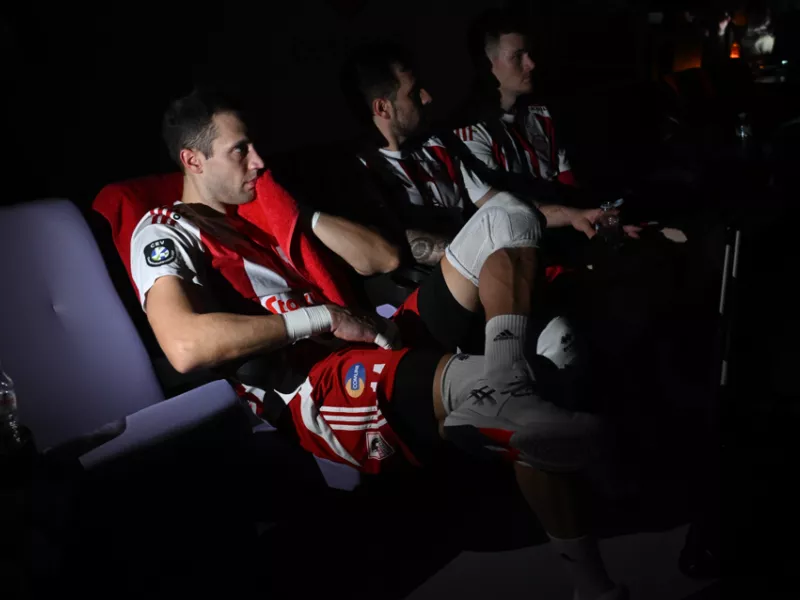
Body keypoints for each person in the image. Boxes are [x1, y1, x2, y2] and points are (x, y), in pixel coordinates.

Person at [133, 88, 626, 600]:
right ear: (193, 160)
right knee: (521, 394)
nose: (259, 161)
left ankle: (507, 382)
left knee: (509, 214)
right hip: (317, 388)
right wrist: (324, 315)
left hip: (372, 336)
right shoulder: (164, 230)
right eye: (240, 150)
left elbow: (382, 259)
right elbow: (184, 345)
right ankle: (593, 586)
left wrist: (294, 212)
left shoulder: (259, 216)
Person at [340, 42, 625, 267]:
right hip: (429, 291)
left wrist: (577, 215)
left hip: (486, 274)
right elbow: (397, 247)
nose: (427, 98)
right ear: (383, 108)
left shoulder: (438, 147)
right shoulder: (362, 171)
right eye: (414, 93)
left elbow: (503, 205)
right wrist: (487, 254)